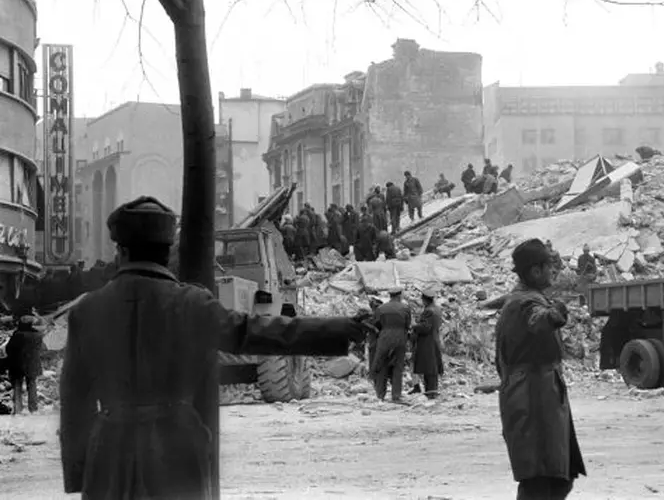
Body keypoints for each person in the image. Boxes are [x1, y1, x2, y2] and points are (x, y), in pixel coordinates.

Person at [59, 196, 370, 500]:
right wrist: (344, 329)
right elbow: (260, 332)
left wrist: (78, 472)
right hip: (176, 449)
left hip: (110, 453)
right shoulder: (191, 304)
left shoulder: (86, 311)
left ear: (121, 251)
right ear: (167, 253)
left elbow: (74, 401)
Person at [495, 238, 586, 500]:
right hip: (532, 400)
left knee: (560, 477)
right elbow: (538, 320)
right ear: (536, 271)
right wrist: (555, 314)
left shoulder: (524, 299)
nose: (554, 271)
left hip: (541, 398)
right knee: (539, 479)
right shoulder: (525, 303)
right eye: (549, 266)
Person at [371, 287, 412, 402]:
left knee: (382, 365)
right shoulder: (405, 308)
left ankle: (380, 395)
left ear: (390, 295)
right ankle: (396, 395)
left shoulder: (381, 308)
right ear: (399, 295)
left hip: (384, 338)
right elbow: (407, 324)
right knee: (398, 366)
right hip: (400, 338)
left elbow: (376, 324)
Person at [5, 314, 43, 414]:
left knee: (17, 385)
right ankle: (33, 408)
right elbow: (40, 348)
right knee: (32, 385)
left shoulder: (17, 334)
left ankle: (18, 409)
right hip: (33, 364)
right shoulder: (38, 335)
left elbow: (9, 348)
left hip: (18, 363)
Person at [412, 287, 444, 399]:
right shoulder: (437, 309)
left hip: (427, 341)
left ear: (425, 300)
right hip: (434, 339)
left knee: (429, 367)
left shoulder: (428, 311)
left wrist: (414, 325)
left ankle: (430, 391)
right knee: (432, 367)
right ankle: (432, 391)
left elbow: (425, 327)